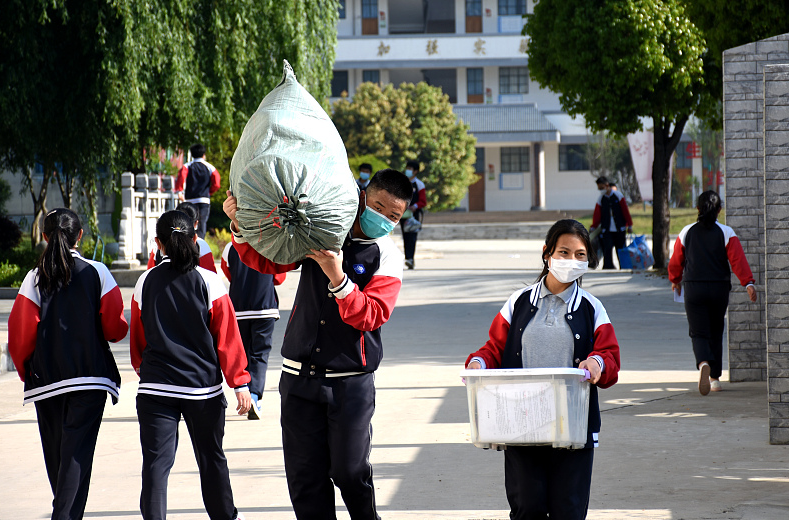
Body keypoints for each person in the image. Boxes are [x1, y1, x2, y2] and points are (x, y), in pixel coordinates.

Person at [222, 168, 412, 520]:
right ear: (362, 198)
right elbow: (269, 261)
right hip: (298, 380)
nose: (383, 218)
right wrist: (239, 225)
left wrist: (337, 276)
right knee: (305, 480)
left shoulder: (387, 255)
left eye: (393, 215)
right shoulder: (324, 231)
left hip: (351, 384)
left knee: (350, 471)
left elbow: (371, 315)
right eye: (378, 206)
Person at [465, 219, 621, 520]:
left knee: (569, 509)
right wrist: (478, 363)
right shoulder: (518, 302)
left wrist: (597, 363)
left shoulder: (592, 308)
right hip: (521, 422)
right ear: (547, 253)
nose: (571, 260)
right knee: (527, 507)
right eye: (564, 252)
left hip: (573, 426)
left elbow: (610, 355)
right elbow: (494, 348)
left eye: (580, 255)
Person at [130, 210, 251, 520]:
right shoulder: (209, 282)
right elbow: (227, 338)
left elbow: (138, 341)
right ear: (196, 239)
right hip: (203, 391)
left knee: (156, 466)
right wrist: (239, 383)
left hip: (156, 388)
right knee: (212, 460)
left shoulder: (145, 281)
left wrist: (146, 372)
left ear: (158, 243)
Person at [8, 208, 128, 520]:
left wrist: (28, 372)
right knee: (76, 455)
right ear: (80, 236)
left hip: (46, 380)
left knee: (58, 457)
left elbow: (20, 334)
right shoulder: (97, 271)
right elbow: (115, 329)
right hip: (89, 379)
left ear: (45, 237)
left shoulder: (33, 277)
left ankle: (63, 513)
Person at [669, 191, 757, 395]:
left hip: (694, 288)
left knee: (698, 332)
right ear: (719, 210)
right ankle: (715, 379)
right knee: (716, 331)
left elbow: (676, 261)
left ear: (698, 209)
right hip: (719, 288)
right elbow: (738, 261)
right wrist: (748, 283)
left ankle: (702, 364)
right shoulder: (726, 232)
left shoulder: (686, 232)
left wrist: (675, 280)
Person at [221, 241, 286, 419]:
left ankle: (245, 393)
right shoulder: (271, 243)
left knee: (243, 354)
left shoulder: (230, 247)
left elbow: (228, 273)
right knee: (260, 354)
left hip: (239, 309)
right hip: (265, 307)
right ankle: (255, 397)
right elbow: (279, 277)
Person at [147, 202, 216, 272]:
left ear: (158, 242)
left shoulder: (159, 244)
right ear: (195, 224)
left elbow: (149, 270)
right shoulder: (202, 245)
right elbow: (212, 275)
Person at [175, 143, 221, 238]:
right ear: (204, 155)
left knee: (189, 223)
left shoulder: (187, 166)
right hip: (204, 200)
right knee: (202, 223)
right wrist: (209, 192)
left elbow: (181, 177)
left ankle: (189, 243)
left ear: (192, 154)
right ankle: (200, 245)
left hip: (190, 201)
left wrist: (180, 191)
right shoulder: (209, 167)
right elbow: (216, 182)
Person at [590, 176, 632, 269]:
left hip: (619, 228)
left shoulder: (618, 196)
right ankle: (608, 266)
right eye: (599, 188)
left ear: (607, 185)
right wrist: (594, 226)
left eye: (601, 188)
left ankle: (624, 266)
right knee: (607, 248)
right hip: (607, 228)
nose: (601, 190)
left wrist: (629, 225)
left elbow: (625, 211)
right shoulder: (601, 199)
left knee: (620, 249)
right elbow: (597, 214)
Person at [400, 159, 427, 269]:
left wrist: (414, 206)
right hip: (403, 214)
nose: (408, 170)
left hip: (414, 215)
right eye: (407, 168)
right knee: (405, 236)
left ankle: (411, 258)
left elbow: (423, 201)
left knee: (412, 236)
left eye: (410, 169)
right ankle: (408, 257)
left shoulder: (419, 184)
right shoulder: (402, 183)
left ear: (415, 171)